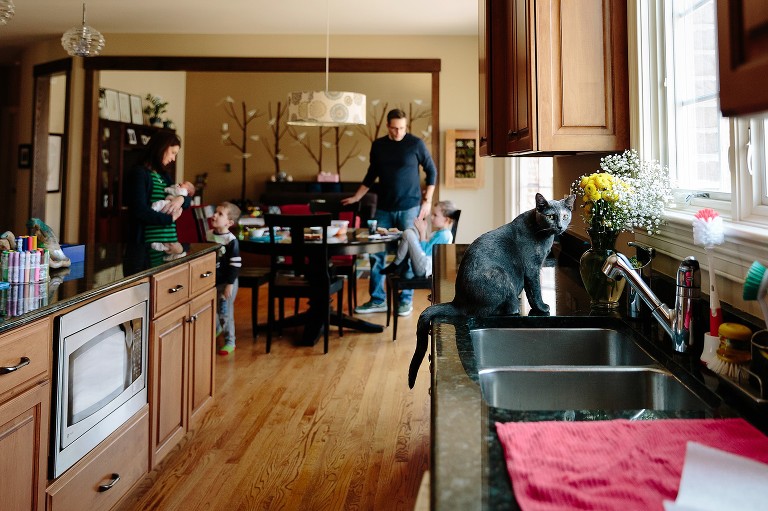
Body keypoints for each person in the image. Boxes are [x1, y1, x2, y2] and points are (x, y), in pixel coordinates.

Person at [342, 108, 437, 317]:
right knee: (376, 253)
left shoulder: (415, 144)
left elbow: (432, 171)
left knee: (409, 254)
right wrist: (357, 196)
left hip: (410, 208)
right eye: (394, 128)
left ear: (406, 126)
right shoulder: (379, 146)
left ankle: (405, 301)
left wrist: (427, 201)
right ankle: (377, 300)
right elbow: (371, 174)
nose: (398, 132)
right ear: (388, 126)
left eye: (402, 128)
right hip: (383, 209)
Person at [124, 132, 188, 244]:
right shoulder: (139, 173)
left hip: (167, 242)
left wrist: (181, 199)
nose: (173, 158)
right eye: (173, 153)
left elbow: (187, 201)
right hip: (145, 245)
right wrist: (169, 219)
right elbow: (140, 211)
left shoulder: (164, 176)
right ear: (162, 147)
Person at [381, 200, 457, 278]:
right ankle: (398, 264)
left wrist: (422, 232)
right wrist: (401, 233)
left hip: (425, 268)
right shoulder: (440, 233)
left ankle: (396, 264)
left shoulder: (444, 235)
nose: (431, 217)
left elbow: (425, 252)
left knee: (408, 233)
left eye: (435, 215)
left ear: (446, 220)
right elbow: (424, 245)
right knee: (411, 231)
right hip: (424, 264)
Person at [206, 201, 242, 355]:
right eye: (216, 212)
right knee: (211, 310)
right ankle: (217, 328)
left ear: (229, 222)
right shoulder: (208, 235)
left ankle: (230, 341)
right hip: (212, 281)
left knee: (225, 313)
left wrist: (230, 284)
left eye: (220, 214)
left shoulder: (231, 241)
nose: (214, 215)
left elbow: (235, 265)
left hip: (227, 283)